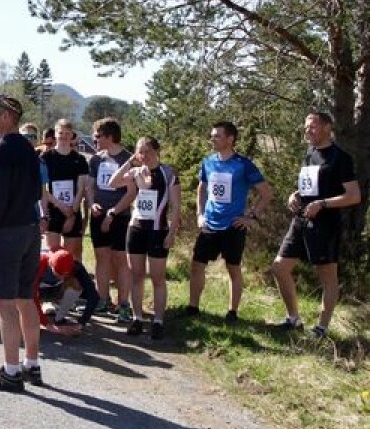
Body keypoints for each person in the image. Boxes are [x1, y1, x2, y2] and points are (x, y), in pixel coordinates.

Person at [0, 95, 43, 392]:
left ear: (5, 116)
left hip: (7, 232)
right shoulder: (28, 148)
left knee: (4, 303)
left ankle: (11, 372)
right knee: (25, 299)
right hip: (30, 228)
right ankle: (31, 364)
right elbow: (36, 191)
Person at [272, 112, 360, 338]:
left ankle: (321, 328)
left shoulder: (340, 158)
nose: (307, 130)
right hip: (300, 221)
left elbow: (353, 196)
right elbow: (311, 186)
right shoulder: (310, 153)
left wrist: (322, 204)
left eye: (312, 126)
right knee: (279, 267)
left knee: (327, 277)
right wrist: (295, 195)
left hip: (325, 225)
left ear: (327, 127)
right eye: (306, 126)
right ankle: (293, 320)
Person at [188, 121, 272, 321]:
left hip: (233, 225)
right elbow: (202, 188)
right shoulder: (208, 162)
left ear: (230, 139)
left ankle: (232, 312)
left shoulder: (243, 164)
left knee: (233, 268)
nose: (212, 139)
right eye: (212, 136)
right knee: (197, 265)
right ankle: (192, 308)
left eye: (217, 136)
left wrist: (250, 217)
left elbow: (266, 193)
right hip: (209, 223)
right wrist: (200, 214)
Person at [108, 136, 181, 340]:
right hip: (136, 229)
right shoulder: (136, 171)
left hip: (158, 231)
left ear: (157, 151)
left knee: (157, 277)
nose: (144, 155)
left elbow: (176, 207)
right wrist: (129, 162)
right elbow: (113, 182)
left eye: (147, 151)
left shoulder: (168, 173)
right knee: (136, 276)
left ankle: (158, 321)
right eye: (140, 151)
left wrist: (172, 233)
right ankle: (137, 318)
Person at [86, 117, 135, 322]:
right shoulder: (96, 159)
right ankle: (103, 300)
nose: (94, 140)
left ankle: (124, 305)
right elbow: (90, 186)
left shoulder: (128, 159)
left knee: (120, 259)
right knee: (101, 257)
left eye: (98, 136)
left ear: (109, 136)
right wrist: (92, 204)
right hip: (98, 215)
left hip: (120, 216)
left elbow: (131, 193)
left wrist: (114, 212)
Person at [41, 119, 89, 259]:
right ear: (55, 135)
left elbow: (81, 188)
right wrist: (59, 205)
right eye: (61, 133)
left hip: (73, 210)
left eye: (67, 133)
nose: (64, 136)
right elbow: (42, 188)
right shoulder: (46, 158)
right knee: (54, 256)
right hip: (54, 210)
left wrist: (72, 214)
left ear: (72, 135)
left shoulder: (79, 159)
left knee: (70, 257)